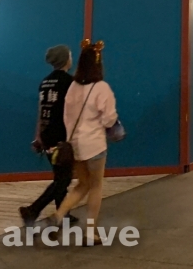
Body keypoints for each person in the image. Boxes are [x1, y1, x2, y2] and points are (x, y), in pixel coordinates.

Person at [52, 40, 119, 239]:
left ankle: (58, 215)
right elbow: (109, 119)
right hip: (95, 145)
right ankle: (90, 232)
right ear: (98, 64)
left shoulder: (72, 86)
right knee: (96, 186)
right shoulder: (101, 87)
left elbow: (66, 116)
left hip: (75, 146)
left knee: (83, 184)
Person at [19, 44, 74, 226]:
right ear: (66, 59)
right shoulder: (70, 82)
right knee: (63, 179)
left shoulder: (45, 82)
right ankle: (33, 210)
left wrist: (38, 136)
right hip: (62, 136)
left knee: (59, 175)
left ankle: (64, 215)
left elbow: (42, 110)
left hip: (47, 134)